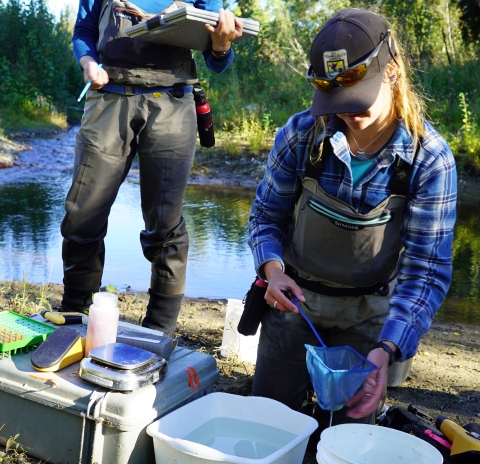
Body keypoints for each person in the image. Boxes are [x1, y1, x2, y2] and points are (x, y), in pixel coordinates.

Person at [248, 7, 457, 443]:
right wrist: (272, 271)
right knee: (267, 429)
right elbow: (266, 216)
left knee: (349, 442)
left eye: (357, 97)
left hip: (371, 321)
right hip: (293, 309)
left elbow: (425, 272)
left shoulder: (429, 159)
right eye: (335, 101)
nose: (347, 113)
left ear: (392, 71)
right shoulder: (300, 135)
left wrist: (387, 350)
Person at [60, 0, 243, 337]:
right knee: (81, 215)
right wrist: (88, 62)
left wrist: (221, 45)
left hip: (172, 102)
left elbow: (217, 61)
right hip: (108, 97)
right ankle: (73, 313)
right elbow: (84, 31)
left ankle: (159, 328)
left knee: (165, 224)